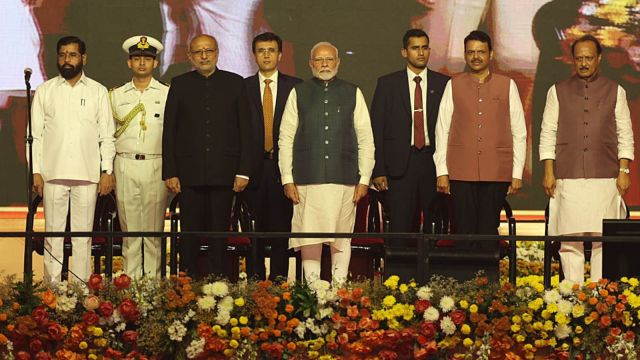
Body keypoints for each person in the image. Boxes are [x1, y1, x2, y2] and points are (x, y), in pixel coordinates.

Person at [540, 34, 634, 284]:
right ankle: (570, 298)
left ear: (599, 59)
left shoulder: (616, 90)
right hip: (567, 176)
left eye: (588, 58)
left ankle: (597, 298)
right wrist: (549, 171)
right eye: (579, 58)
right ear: (573, 60)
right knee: (570, 241)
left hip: (605, 177)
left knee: (603, 241)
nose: (583, 63)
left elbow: (625, 133)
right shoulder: (557, 91)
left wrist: (624, 171)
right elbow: (547, 132)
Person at [278, 42, 375, 284]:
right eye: (319, 60)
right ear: (310, 63)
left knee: (341, 238)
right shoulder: (298, 92)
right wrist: (287, 179)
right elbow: (286, 138)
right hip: (306, 180)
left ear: (338, 62)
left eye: (329, 59)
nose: (324, 64)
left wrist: (364, 179)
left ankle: (339, 291)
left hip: (345, 180)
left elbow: (366, 138)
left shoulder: (353, 92)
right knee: (310, 236)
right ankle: (312, 293)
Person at [162, 34, 252, 279]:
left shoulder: (235, 83)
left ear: (217, 53)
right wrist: (170, 171)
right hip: (189, 175)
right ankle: (187, 286)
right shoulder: (179, 83)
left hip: (225, 174)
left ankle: (218, 284)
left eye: (208, 51)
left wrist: (243, 170)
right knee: (189, 235)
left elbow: (246, 129)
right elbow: (169, 130)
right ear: (190, 55)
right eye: (198, 52)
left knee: (219, 235)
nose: (204, 56)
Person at [31, 36, 115, 284]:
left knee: (83, 237)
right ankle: (52, 292)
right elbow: (35, 135)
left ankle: (80, 293)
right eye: (62, 54)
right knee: (53, 236)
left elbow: (107, 135)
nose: (66, 60)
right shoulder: (45, 90)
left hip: (87, 175)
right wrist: (36, 171)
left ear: (83, 58)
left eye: (72, 54)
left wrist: (107, 170)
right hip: (52, 175)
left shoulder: (98, 91)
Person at [370, 29, 449, 279]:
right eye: (415, 48)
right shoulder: (387, 83)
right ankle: (399, 283)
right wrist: (379, 169)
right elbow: (377, 128)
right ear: (404, 52)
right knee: (402, 228)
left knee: (435, 227)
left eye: (425, 47)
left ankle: (433, 281)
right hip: (398, 166)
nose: (421, 52)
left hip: (432, 163)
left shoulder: (443, 83)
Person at [434, 31, 526, 244]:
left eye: (481, 52)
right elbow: (442, 129)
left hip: (496, 171)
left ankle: (487, 278)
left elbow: (519, 131)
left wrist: (517, 172)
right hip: (460, 171)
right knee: (463, 229)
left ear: (491, 54)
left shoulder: (507, 85)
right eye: (470, 52)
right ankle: (464, 277)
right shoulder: (453, 85)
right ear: (465, 55)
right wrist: (442, 171)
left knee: (487, 229)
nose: (476, 57)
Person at [110, 35, 169, 279]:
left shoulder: (167, 93)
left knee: (153, 234)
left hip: (157, 164)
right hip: (124, 164)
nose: (142, 63)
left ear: (155, 63)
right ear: (129, 63)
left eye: (147, 58)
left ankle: (153, 290)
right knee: (131, 234)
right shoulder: (115, 94)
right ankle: (130, 291)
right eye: (137, 58)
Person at [244, 32, 302, 281]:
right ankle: (256, 284)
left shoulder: (296, 86)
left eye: (271, 50)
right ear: (254, 55)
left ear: (280, 55)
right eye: (261, 50)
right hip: (251, 170)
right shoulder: (242, 87)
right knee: (253, 231)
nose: (266, 55)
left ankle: (279, 283)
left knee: (281, 230)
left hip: (284, 170)